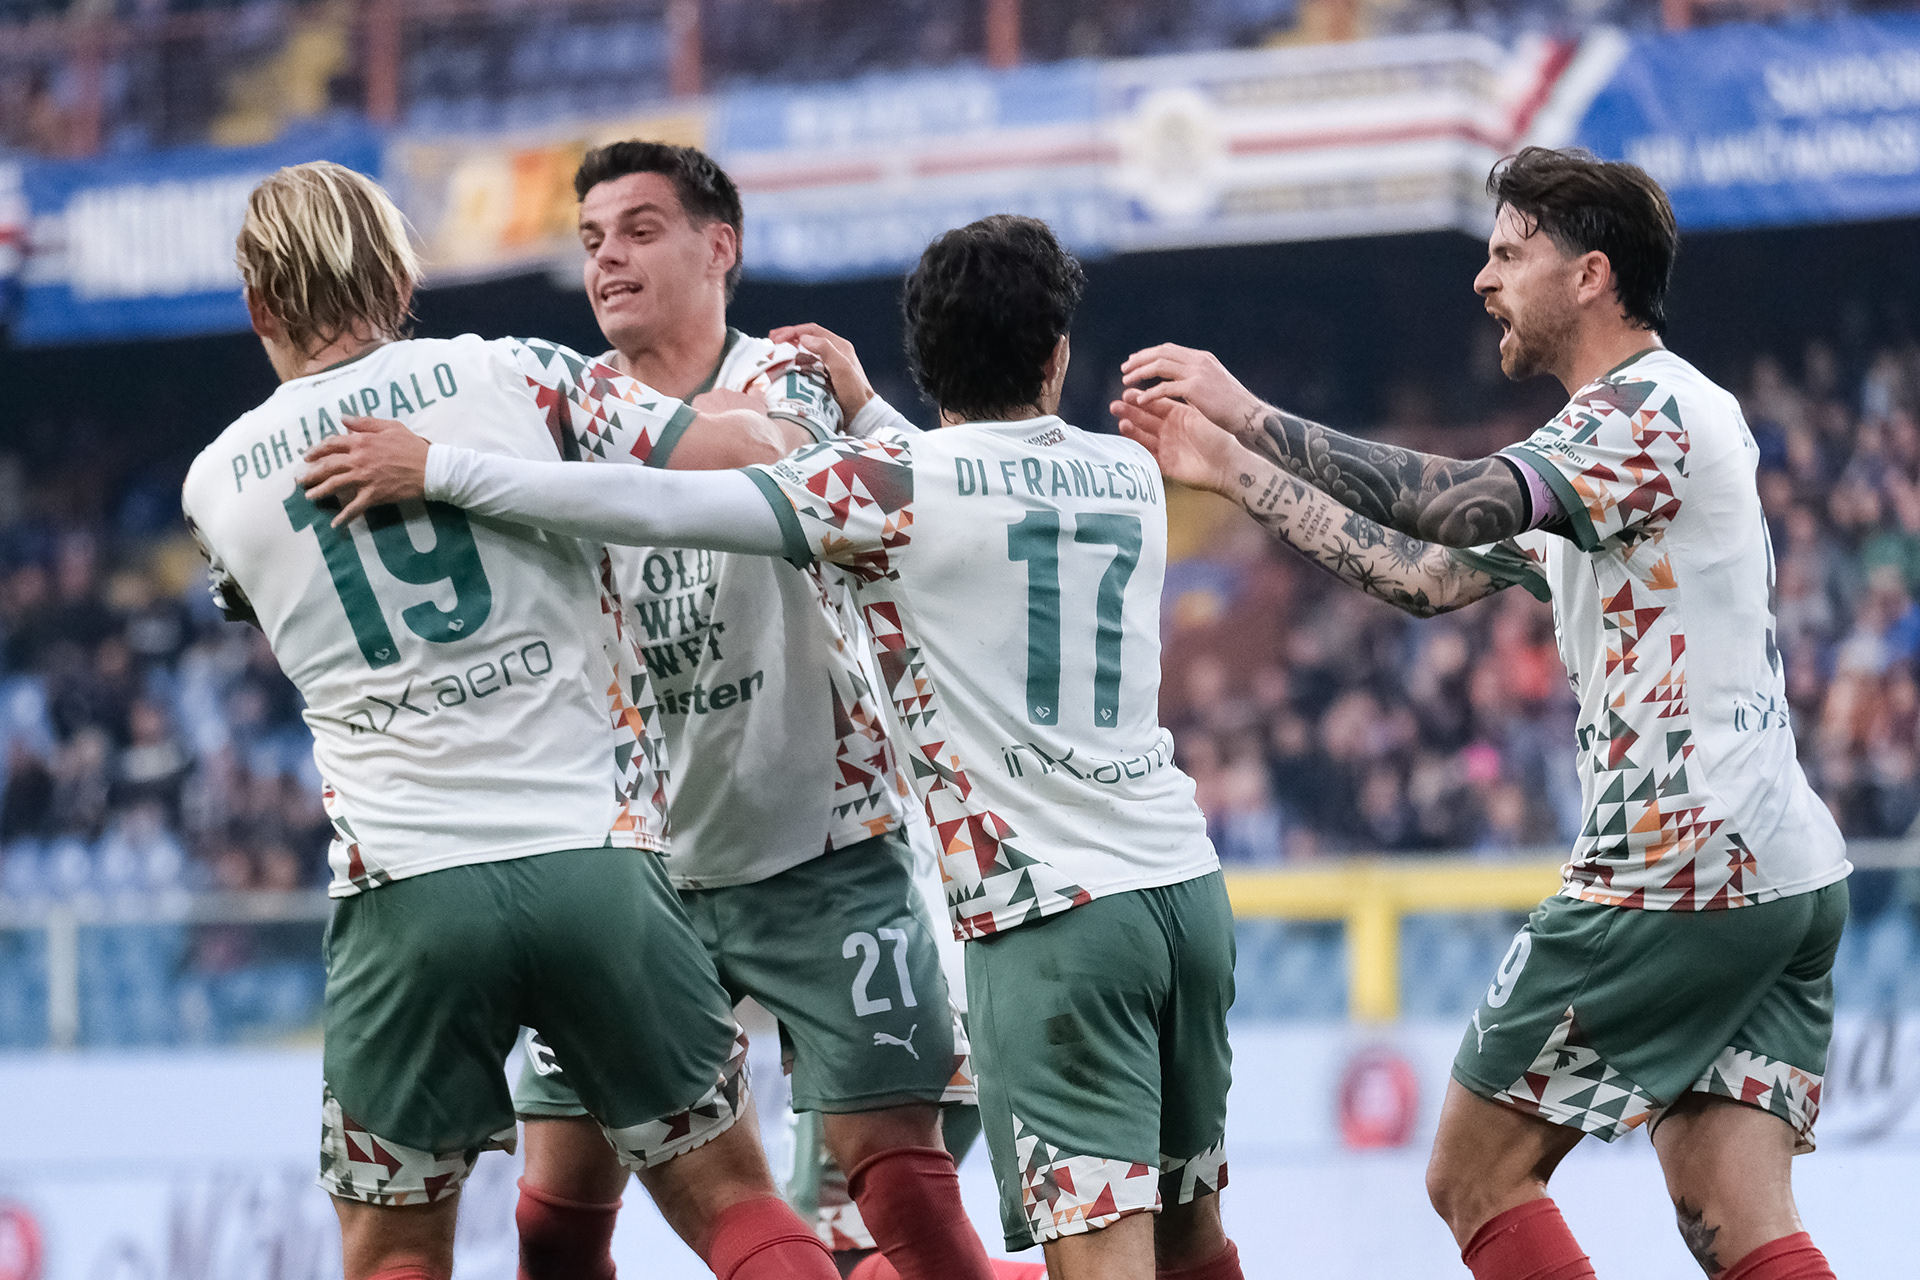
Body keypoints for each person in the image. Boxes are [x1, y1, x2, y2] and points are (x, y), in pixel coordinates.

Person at [302, 214, 1246, 1280]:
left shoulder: (885, 496)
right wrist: (868, 407)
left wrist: (446, 467)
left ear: (927, 359)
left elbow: (646, 500)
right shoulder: (1126, 476)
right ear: (1061, 355)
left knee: (1099, 1263)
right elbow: (989, 474)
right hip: (1183, 891)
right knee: (1193, 1244)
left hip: (1052, 922)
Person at [1113, 146, 1849, 1280]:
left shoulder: (1642, 408)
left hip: (1681, 861)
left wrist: (1250, 414)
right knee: (1728, 1210)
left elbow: (1449, 505)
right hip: (1778, 870)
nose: (1484, 279)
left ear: (1591, 274)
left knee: (1474, 1171)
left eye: (1510, 253)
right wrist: (1229, 469)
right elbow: (1424, 575)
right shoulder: (1610, 448)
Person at [183, 160, 839, 1280]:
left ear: (257, 310)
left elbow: (249, 589)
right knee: (735, 1200)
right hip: (596, 864)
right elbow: (734, 449)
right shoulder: (520, 376)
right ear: (399, 277)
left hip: (406, 896)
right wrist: (789, 403)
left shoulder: (216, 484)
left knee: (394, 1248)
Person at [505, 140, 1008, 1280]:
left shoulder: (786, 378)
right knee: (550, 1221)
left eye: (638, 230)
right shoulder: (565, 408)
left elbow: (786, 469)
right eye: (590, 242)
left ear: (717, 245)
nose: (608, 260)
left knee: (908, 1208)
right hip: (638, 870)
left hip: (819, 857)